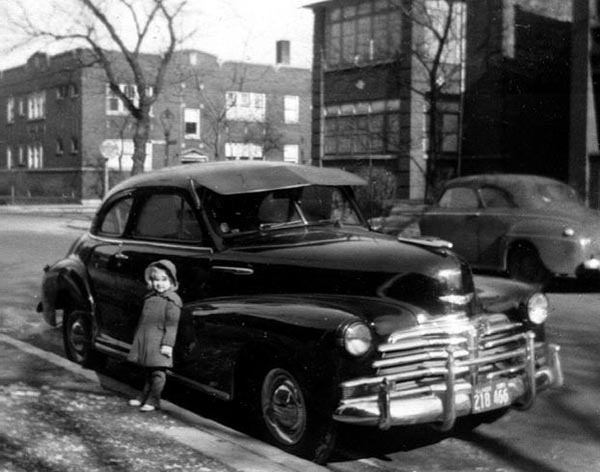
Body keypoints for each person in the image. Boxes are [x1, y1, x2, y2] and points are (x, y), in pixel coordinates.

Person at [127, 259, 182, 412]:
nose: (159, 284)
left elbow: (172, 325)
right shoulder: (150, 298)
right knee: (148, 371)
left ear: (172, 280)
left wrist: (167, 344)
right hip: (147, 341)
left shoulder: (172, 300)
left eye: (164, 280)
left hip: (160, 342)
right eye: (155, 280)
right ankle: (144, 396)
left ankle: (154, 399)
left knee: (158, 373)